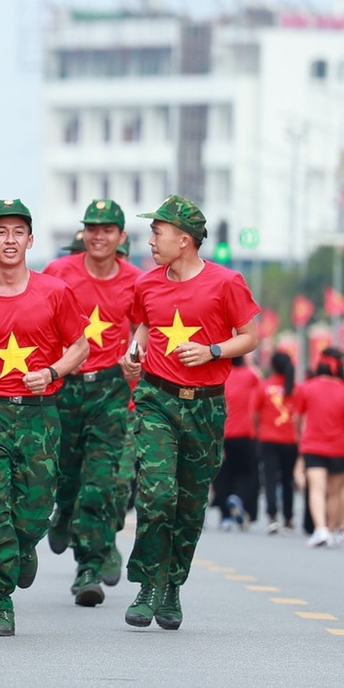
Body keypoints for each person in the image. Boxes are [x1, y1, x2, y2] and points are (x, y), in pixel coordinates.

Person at [117, 196, 260, 630]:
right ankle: (145, 583)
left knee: (190, 504)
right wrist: (133, 351)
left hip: (205, 406)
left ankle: (171, 587)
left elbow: (250, 337)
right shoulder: (147, 283)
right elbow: (144, 323)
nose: (151, 240)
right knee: (157, 496)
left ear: (185, 239)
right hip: (156, 398)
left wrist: (212, 350)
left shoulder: (226, 282)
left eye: (158, 233)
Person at [0, 200, 89, 635]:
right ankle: (2, 602)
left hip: (39, 415)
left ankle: (26, 543)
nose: (9, 241)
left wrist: (52, 372)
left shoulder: (54, 292)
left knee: (32, 511)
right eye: (1, 233)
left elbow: (79, 346)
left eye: (18, 232)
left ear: (30, 240)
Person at [42, 197, 140, 600]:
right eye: (92, 229)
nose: (98, 237)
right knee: (66, 477)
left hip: (111, 389)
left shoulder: (136, 280)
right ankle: (62, 511)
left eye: (107, 230)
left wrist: (135, 359)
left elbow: (145, 331)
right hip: (65, 385)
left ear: (121, 237)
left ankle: (90, 567)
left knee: (100, 482)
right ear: (83, 233)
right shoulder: (59, 273)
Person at [298, 353, 344, 547]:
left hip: (313, 445)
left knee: (316, 489)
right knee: (335, 492)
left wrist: (299, 436)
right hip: (339, 447)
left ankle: (320, 530)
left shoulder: (306, 388)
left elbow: (298, 417)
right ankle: (332, 530)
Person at [216, 355, 264, 530]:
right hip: (246, 433)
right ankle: (238, 497)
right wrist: (249, 361)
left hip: (224, 433)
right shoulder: (249, 375)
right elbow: (260, 377)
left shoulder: (223, 375)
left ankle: (225, 517)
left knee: (223, 474)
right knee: (247, 472)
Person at [256, 350, 300, 534]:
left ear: (272, 366)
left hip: (268, 439)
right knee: (288, 479)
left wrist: (258, 430)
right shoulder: (296, 388)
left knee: (270, 478)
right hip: (291, 440)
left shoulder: (264, 387)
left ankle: (272, 517)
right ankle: (288, 518)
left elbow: (255, 414)